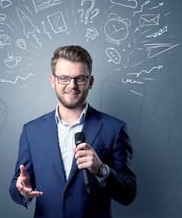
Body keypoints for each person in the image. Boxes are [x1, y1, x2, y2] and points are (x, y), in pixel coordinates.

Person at [9, 45, 137, 217]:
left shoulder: (114, 129)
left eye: (80, 78)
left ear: (90, 82)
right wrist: (22, 191)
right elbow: (18, 185)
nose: (72, 85)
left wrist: (101, 169)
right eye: (64, 78)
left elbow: (128, 194)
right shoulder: (32, 131)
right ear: (53, 81)